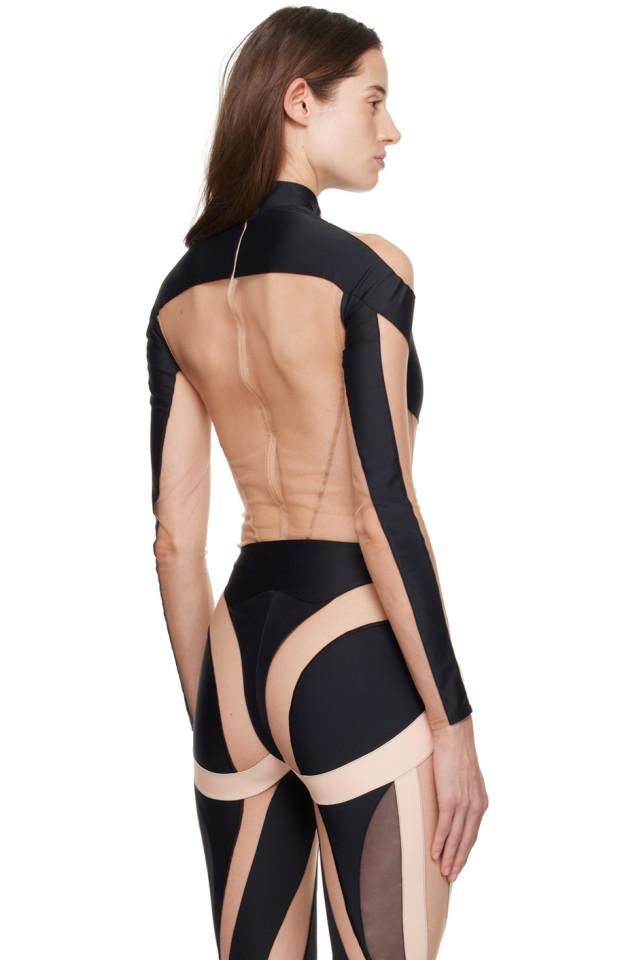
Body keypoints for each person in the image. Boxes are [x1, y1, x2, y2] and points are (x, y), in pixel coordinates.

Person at [146, 7, 488, 958]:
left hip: (234, 653)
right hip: (350, 647)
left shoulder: (177, 295)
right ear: (300, 102)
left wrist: (218, 714)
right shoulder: (365, 270)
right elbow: (382, 510)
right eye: (373, 102)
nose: (391, 129)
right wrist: (453, 725)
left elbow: (174, 538)